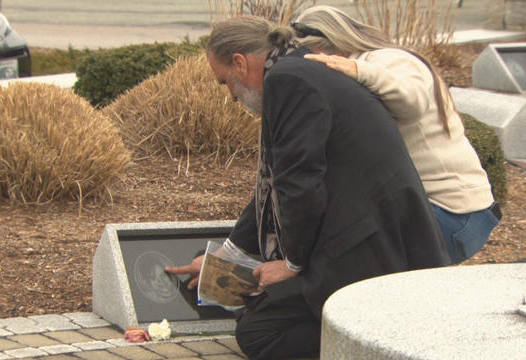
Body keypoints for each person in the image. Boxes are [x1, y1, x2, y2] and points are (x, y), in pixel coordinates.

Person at [166, 15, 449, 360]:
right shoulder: (298, 68)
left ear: (239, 63)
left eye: (224, 82)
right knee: (259, 312)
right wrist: (226, 255)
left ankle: (377, 346)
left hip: (367, 246)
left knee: (260, 332)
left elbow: (300, 184)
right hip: (367, 232)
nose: (231, 98)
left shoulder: (287, 82)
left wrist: (294, 264)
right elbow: (274, 190)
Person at [294, 5, 501, 264]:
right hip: (436, 209)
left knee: (352, 269)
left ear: (328, 48)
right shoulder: (359, 64)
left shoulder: (389, 59)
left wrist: (357, 70)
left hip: (453, 212)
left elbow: (412, 101)